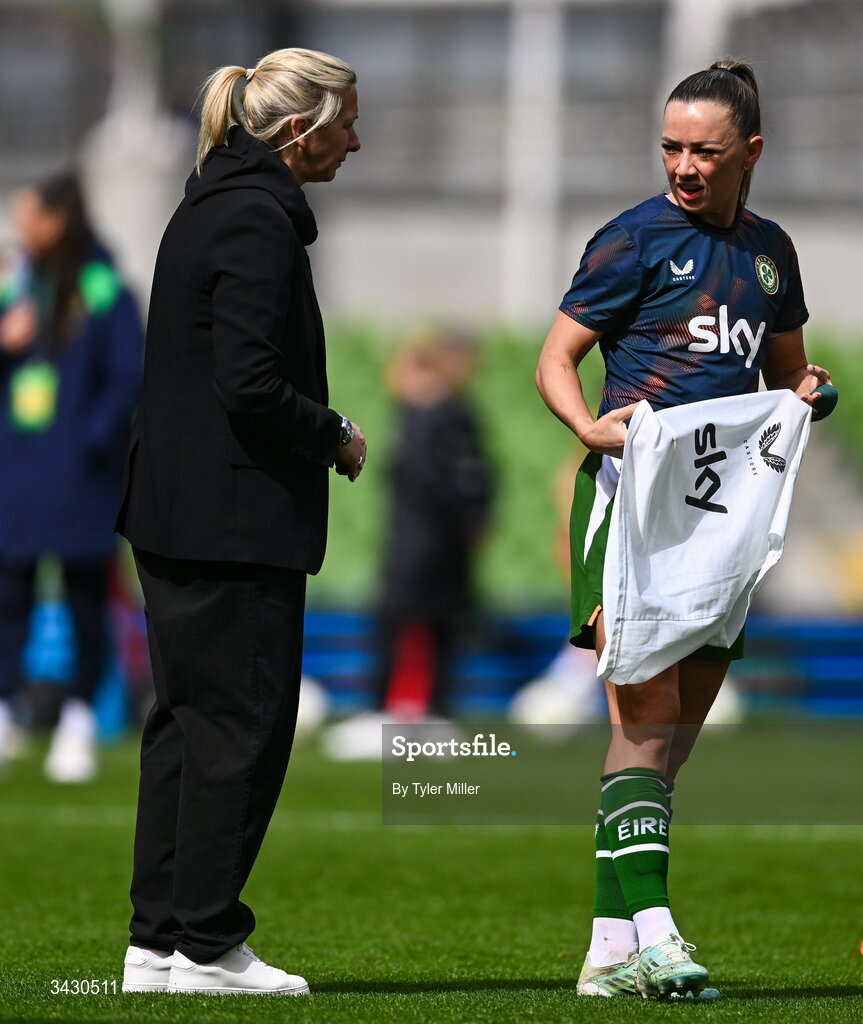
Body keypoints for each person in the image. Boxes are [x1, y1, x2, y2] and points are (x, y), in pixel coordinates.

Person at [535, 60, 831, 1000]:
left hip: (719, 516)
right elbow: (557, 358)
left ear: (749, 151)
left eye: (703, 150)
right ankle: (658, 935)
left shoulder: (771, 253)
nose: (683, 166)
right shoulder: (630, 240)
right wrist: (586, 426)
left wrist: (809, 396)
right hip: (632, 502)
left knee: (669, 744)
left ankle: (607, 952)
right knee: (643, 718)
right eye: (669, 146)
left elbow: (787, 374)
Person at [115, 47, 366, 996]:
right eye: (345, 120)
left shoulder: (206, 207)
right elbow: (253, 386)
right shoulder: (258, 223)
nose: (356, 138)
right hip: (232, 517)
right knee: (240, 730)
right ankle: (210, 945)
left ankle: (159, 940)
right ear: (299, 131)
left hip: (174, 510)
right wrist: (333, 432)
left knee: (184, 727)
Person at [0, 173, 143, 782]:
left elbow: (128, 375)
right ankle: (6, 711)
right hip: (18, 474)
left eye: (28, 214)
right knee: (10, 596)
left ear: (58, 219)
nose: (18, 226)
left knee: (87, 598)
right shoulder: (16, 284)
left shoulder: (104, 288)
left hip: (82, 477)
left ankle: (79, 721)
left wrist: (89, 441)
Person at [323, 332, 494, 760]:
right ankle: (422, 710)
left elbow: (453, 482)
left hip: (423, 543)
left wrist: (463, 518)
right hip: (426, 540)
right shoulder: (431, 417)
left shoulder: (435, 418)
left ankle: (395, 711)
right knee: (426, 623)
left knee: (406, 621)